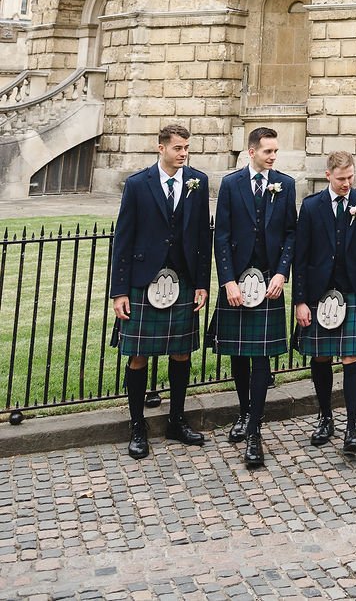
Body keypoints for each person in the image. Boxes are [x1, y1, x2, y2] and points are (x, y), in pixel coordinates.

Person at [109, 122, 212, 460]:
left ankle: (176, 420)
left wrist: (201, 283)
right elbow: (123, 239)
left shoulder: (198, 182)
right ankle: (137, 426)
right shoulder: (139, 185)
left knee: (181, 352)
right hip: (144, 281)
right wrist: (119, 291)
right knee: (138, 355)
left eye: (186, 148)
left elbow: (202, 238)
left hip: (181, 280)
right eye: (178, 148)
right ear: (161, 148)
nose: (183, 153)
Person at [207, 125, 298, 470]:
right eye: (267, 151)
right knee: (240, 354)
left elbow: (291, 234)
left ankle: (255, 429)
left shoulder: (285, 184)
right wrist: (228, 281)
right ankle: (244, 412)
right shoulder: (231, 184)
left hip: (269, 281)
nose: (273, 157)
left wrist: (281, 273)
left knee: (261, 357)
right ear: (251, 152)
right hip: (238, 284)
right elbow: (223, 236)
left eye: (275, 152)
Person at [293, 150, 356, 454]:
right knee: (320, 357)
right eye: (341, 178)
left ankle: (353, 426)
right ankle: (325, 417)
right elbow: (300, 259)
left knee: (351, 358)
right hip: (320, 292)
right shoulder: (310, 207)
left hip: (355, 291)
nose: (347, 183)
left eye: (351, 177)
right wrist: (300, 301)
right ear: (328, 175)